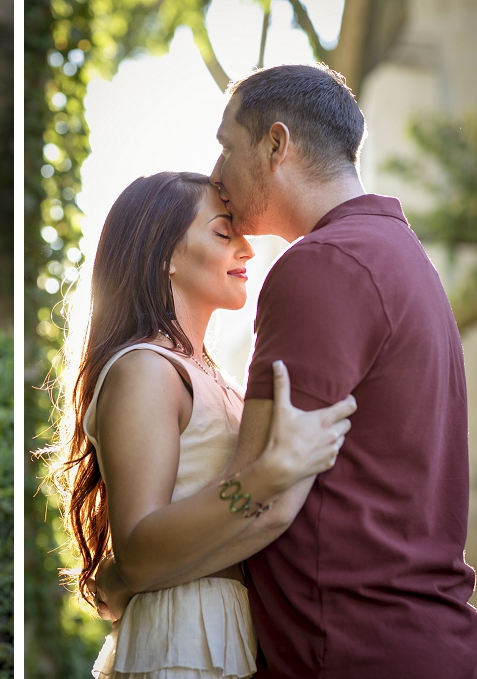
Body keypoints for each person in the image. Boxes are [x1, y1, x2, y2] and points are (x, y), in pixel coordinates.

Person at [101, 64, 477, 678]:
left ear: (276, 144)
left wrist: (122, 579)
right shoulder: (403, 257)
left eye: (226, 146)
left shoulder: (322, 266)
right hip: (415, 637)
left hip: (352, 649)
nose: (217, 172)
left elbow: (268, 498)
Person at [50, 170, 356, 678]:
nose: (248, 250)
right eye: (223, 232)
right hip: (182, 639)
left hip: (228, 629)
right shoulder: (144, 369)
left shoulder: (209, 374)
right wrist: (264, 477)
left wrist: (121, 580)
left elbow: (136, 567)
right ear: (164, 254)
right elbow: (140, 546)